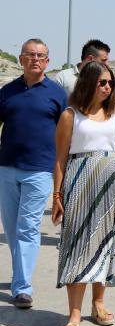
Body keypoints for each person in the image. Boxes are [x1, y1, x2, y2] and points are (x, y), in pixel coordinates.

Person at [51, 61, 115, 326]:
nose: (108, 87)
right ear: (88, 83)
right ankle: (74, 316)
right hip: (79, 181)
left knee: (106, 242)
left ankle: (98, 303)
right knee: (77, 244)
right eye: (102, 82)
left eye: (111, 83)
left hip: (111, 185)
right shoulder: (70, 115)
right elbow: (61, 159)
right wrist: (57, 195)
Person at [0, 39, 67, 308]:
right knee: (12, 228)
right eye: (30, 55)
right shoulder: (7, 91)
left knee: (27, 228)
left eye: (41, 56)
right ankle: (20, 275)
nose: (35, 59)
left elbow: (66, 132)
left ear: (48, 61)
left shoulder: (57, 93)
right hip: (6, 168)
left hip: (40, 170)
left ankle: (22, 288)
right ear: (21, 59)